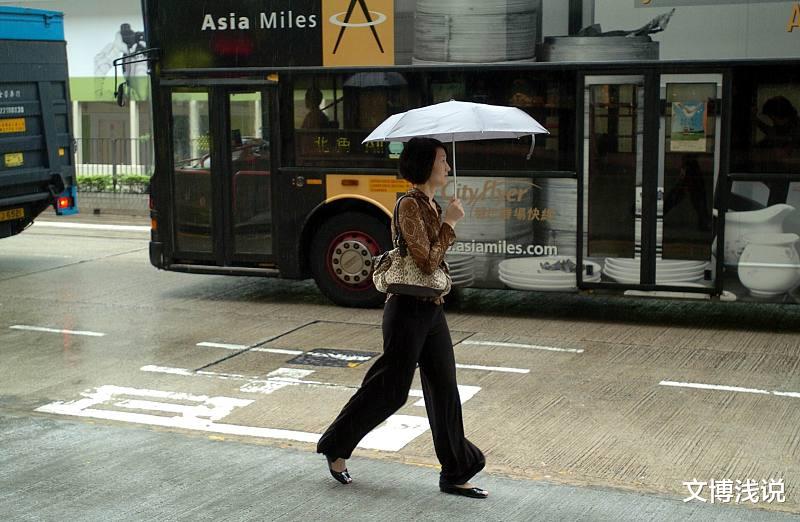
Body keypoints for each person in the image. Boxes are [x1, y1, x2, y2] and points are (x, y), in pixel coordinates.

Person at [316, 137, 488, 499]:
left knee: (444, 389)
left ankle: (456, 472)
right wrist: (450, 224)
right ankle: (336, 445)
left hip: (431, 308)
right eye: (442, 160)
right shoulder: (409, 204)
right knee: (391, 390)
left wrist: (445, 219)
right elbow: (426, 262)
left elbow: (433, 261)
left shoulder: (431, 204)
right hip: (407, 309)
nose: (447, 167)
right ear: (425, 164)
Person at [754, 96, 800, 205]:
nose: (773, 121)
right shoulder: (784, 128)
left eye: (772, 118)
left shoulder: (795, 131)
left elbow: (784, 154)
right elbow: (772, 132)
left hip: (788, 177)